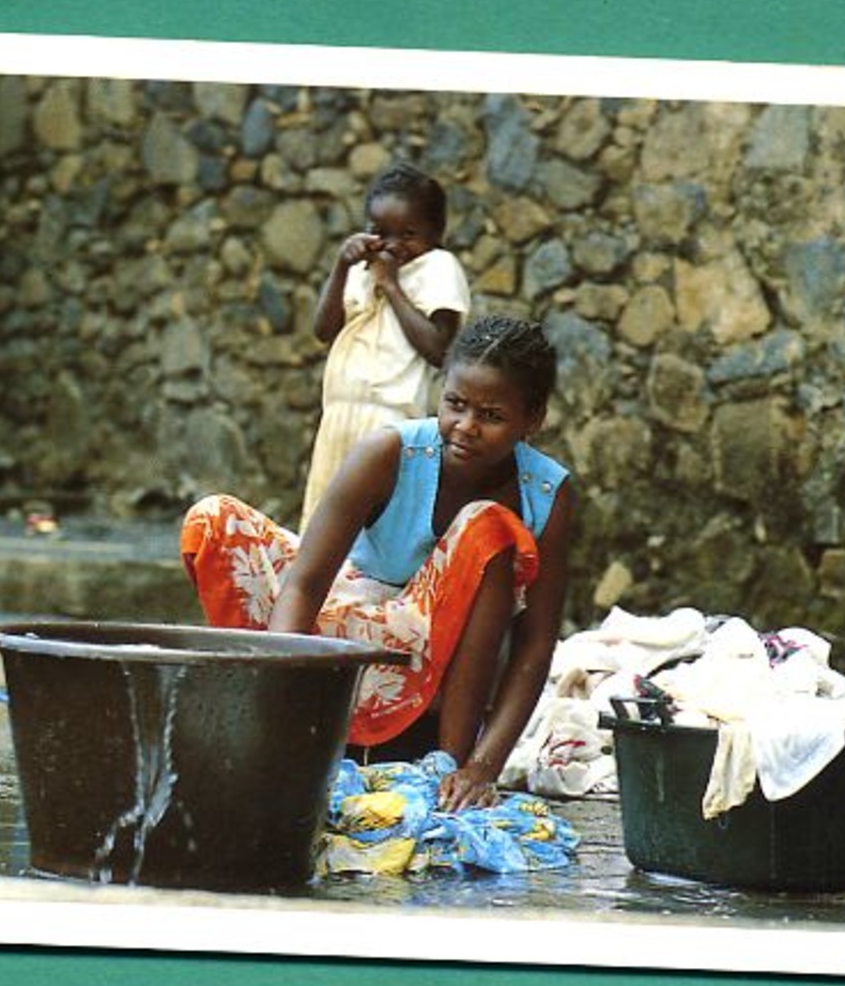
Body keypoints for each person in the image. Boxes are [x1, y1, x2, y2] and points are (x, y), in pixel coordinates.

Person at [182, 316, 574, 812]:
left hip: (439, 661)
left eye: (492, 415)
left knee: (491, 528)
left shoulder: (546, 493)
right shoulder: (391, 451)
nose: (466, 427)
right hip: (344, 636)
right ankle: (262, 700)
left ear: (532, 420)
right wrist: (288, 702)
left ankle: (443, 766)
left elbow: (535, 645)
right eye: (455, 404)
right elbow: (305, 582)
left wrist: (481, 766)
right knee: (214, 518)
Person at [301, 162, 471, 526]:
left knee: (376, 530)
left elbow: (439, 349)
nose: (393, 246)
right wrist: (341, 268)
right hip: (339, 417)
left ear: (435, 234)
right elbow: (323, 330)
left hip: (392, 424)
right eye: (380, 231)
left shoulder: (438, 268)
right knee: (323, 528)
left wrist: (391, 286)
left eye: (408, 234)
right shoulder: (362, 270)